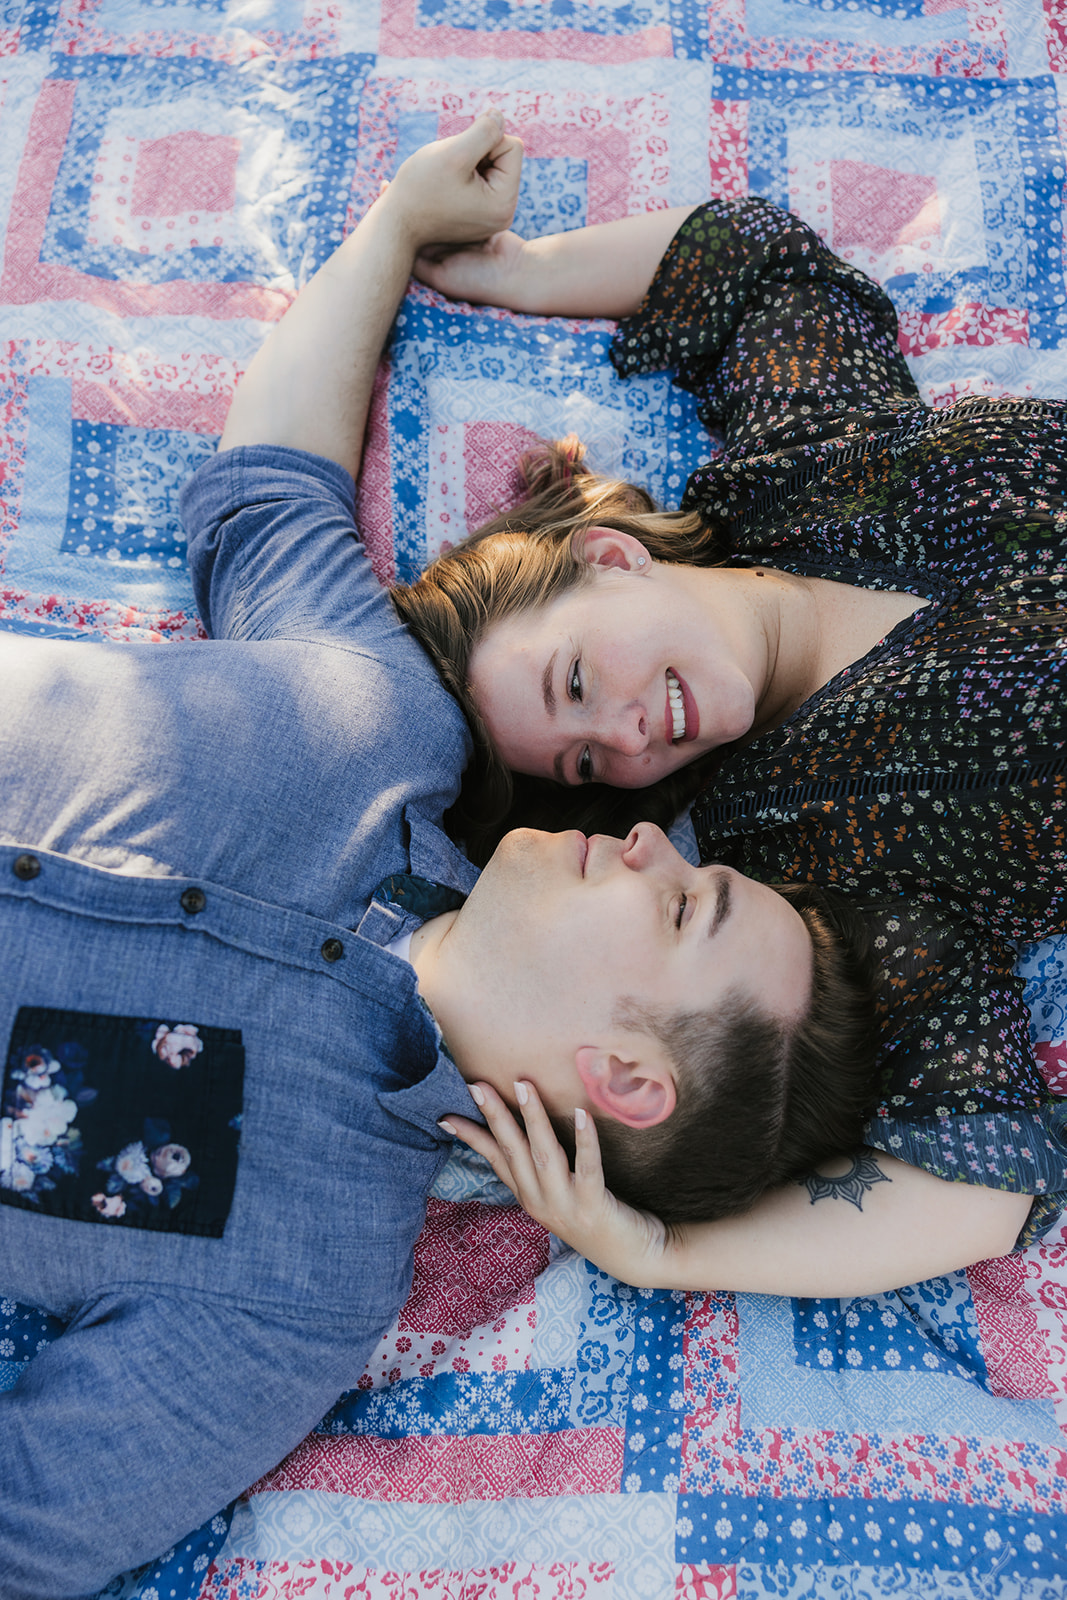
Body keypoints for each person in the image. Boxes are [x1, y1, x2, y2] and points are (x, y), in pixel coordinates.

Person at [0, 112, 838, 1600]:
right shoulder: (384, 718)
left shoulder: (299, 1291)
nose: (648, 832)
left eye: (687, 901)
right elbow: (264, 493)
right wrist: (391, 232)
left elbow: (28, 1527)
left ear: (627, 1081)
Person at [395, 176, 1067, 1273]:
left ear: (609, 561)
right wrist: (660, 1255)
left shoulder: (793, 470)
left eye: (574, 681)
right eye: (580, 759)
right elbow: (974, 1189)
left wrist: (522, 272)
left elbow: (745, 255)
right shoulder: (806, 866)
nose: (622, 737)